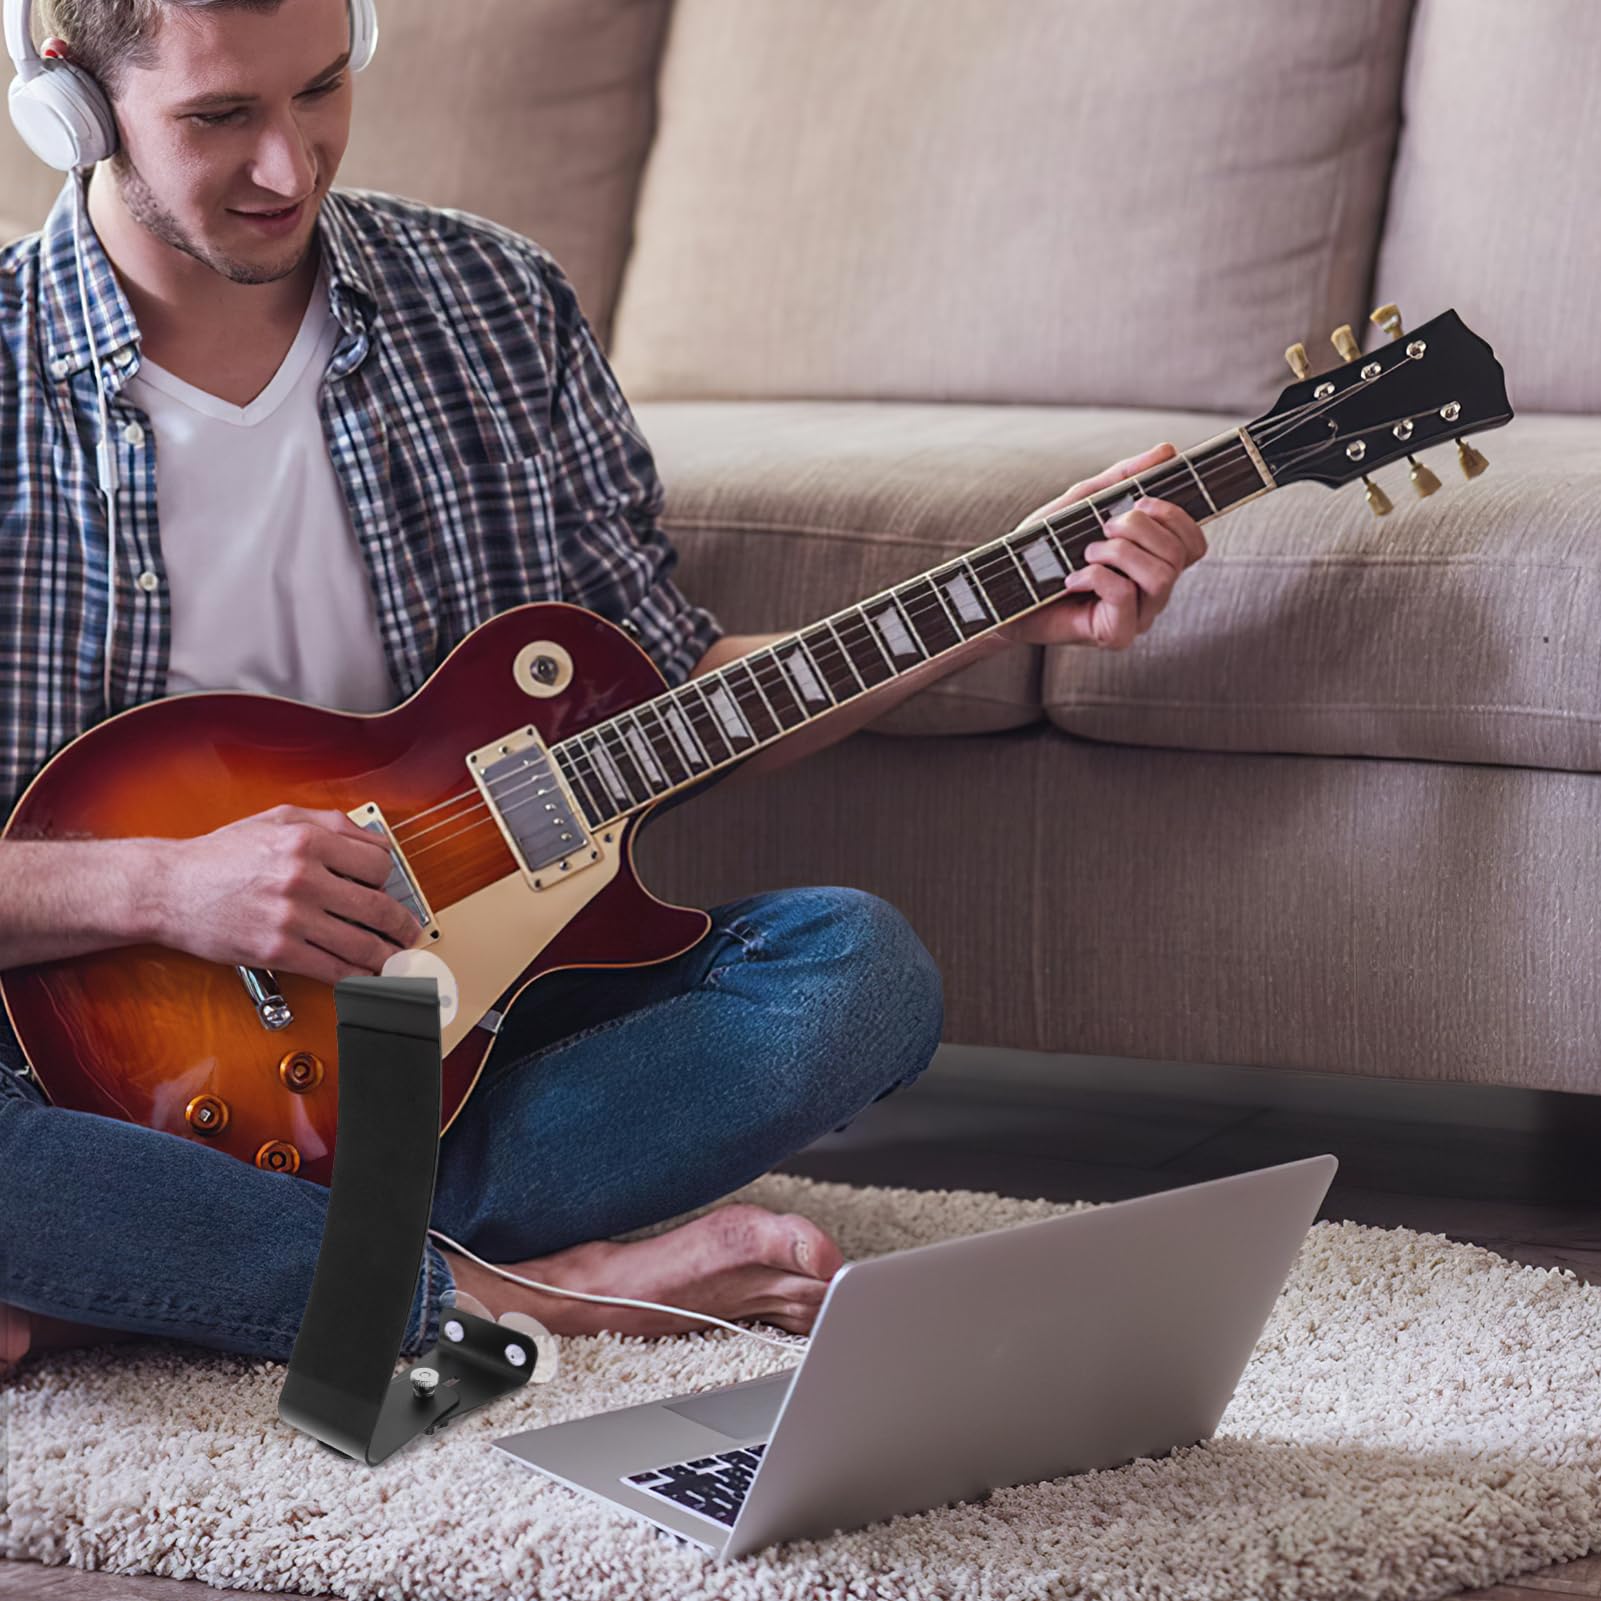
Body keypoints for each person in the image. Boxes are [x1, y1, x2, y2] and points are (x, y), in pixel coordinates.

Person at [0, 0, 1208, 1379]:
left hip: (456, 1033)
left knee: (853, 976)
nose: (290, 166)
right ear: (72, 104)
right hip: (51, 1047)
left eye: (322, 89)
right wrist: (165, 888)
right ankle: (518, 1294)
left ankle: (155, 1265)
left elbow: (670, 690)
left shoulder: (496, 303)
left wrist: (997, 611)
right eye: (221, 118)